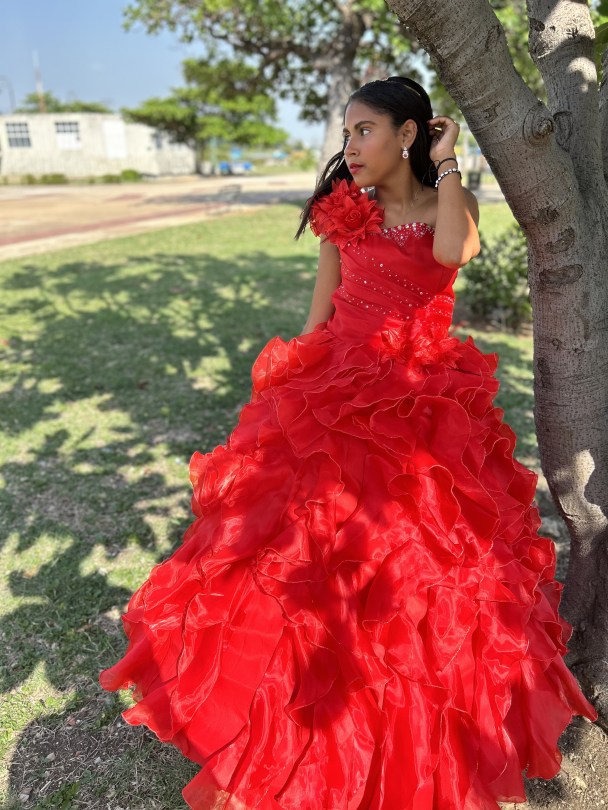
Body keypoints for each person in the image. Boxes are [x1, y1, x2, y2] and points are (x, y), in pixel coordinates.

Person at [99, 76, 597, 810]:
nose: (351, 147)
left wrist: (450, 161)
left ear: (407, 134)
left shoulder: (450, 203)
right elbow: (317, 319)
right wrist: (281, 401)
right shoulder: (343, 215)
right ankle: (288, 714)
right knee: (302, 558)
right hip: (335, 397)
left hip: (423, 403)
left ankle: (409, 730)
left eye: (365, 130)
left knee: (418, 565)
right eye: (346, 134)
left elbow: (455, 250)